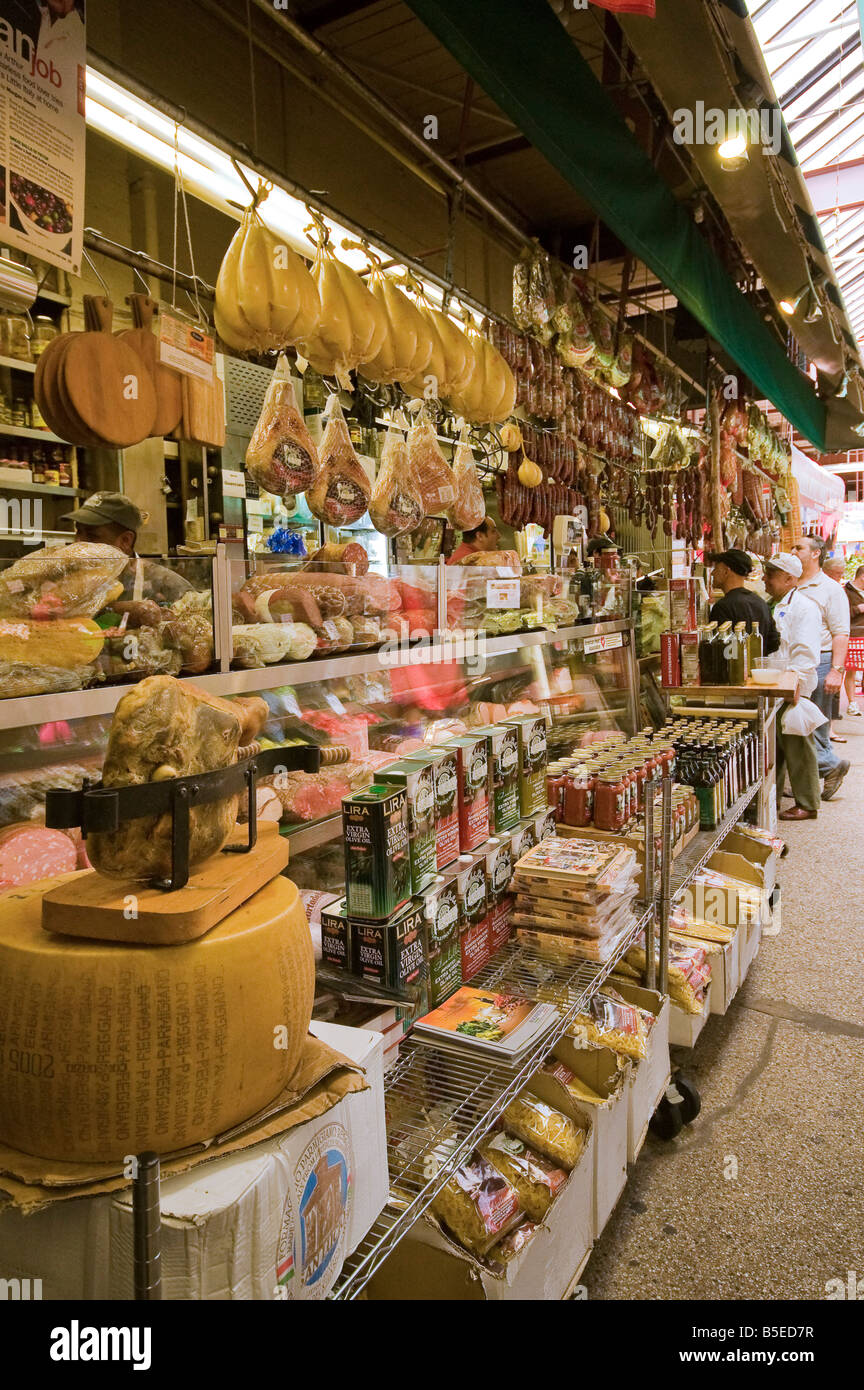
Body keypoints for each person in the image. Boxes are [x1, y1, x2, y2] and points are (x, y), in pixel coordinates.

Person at [762, 554, 822, 821]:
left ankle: (808, 803)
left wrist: (795, 681)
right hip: (774, 683)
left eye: (770, 575)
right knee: (777, 744)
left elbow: (806, 651)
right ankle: (772, 800)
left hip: (793, 684)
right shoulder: (771, 604)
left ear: (789, 579)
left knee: (797, 743)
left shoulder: (805, 607)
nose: (765, 579)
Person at [792, 538, 850, 800]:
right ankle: (821, 771)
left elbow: (841, 633)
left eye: (799, 548)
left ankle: (827, 766)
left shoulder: (830, 589)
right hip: (798, 661)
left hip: (821, 660)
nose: (793, 551)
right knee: (812, 724)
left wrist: (836, 670)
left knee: (812, 723)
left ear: (816, 554)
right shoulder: (793, 583)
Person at [62, 492, 193, 605]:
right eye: (79, 531)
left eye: (92, 536)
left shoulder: (168, 586)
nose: (78, 542)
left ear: (125, 541)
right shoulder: (67, 582)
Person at [705, 548, 781, 654]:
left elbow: (718, 649)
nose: (712, 573)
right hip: (758, 669)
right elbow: (774, 643)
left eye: (716, 568)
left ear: (726, 571)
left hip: (734, 669)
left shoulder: (722, 607)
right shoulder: (761, 602)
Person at [842, 563, 864, 715]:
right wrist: (858, 609)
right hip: (854, 635)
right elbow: (840, 615)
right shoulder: (844, 592)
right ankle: (852, 703)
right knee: (851, 670)